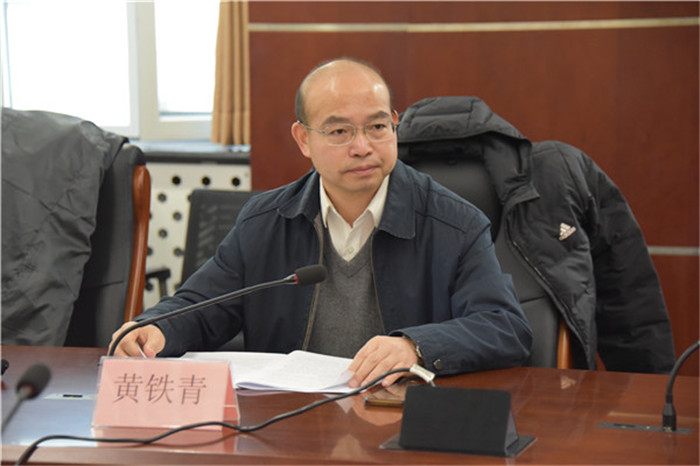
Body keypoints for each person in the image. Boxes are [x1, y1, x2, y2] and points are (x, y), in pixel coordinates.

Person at [110, 58, 533, 388]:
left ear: (395, 125)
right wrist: (156, 329)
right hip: (289, 423)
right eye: (339, 132)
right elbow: (202, 307)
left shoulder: (454, 223)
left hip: (403, 421)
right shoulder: (265, 223)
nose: (362, 146)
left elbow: (505, 327)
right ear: (303, 139)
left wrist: (415, 347)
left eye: (378, 126)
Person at [397, 95, 676, 373]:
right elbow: (629, 306)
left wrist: (654, 387)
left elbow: (626, 296)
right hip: (542, 395)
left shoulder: (556, 173)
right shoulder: (380, 188)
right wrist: (653, 390)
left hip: (397, 393)